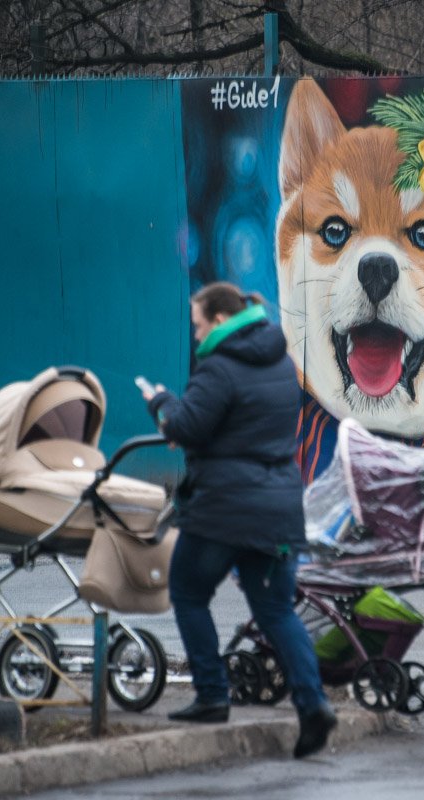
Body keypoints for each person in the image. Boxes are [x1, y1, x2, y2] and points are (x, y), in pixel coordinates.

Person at [139, 281, 337, 759]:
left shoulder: (221, 367)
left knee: (187, 592)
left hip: (225, 509)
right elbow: (244, 426)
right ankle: (313, 705)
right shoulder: (282, 364)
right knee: (276, 610)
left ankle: (211, 696)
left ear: (221, 320)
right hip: (278, 509)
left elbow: (186, 427)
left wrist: (161, 403)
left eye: (199, 321)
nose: (197, 329)